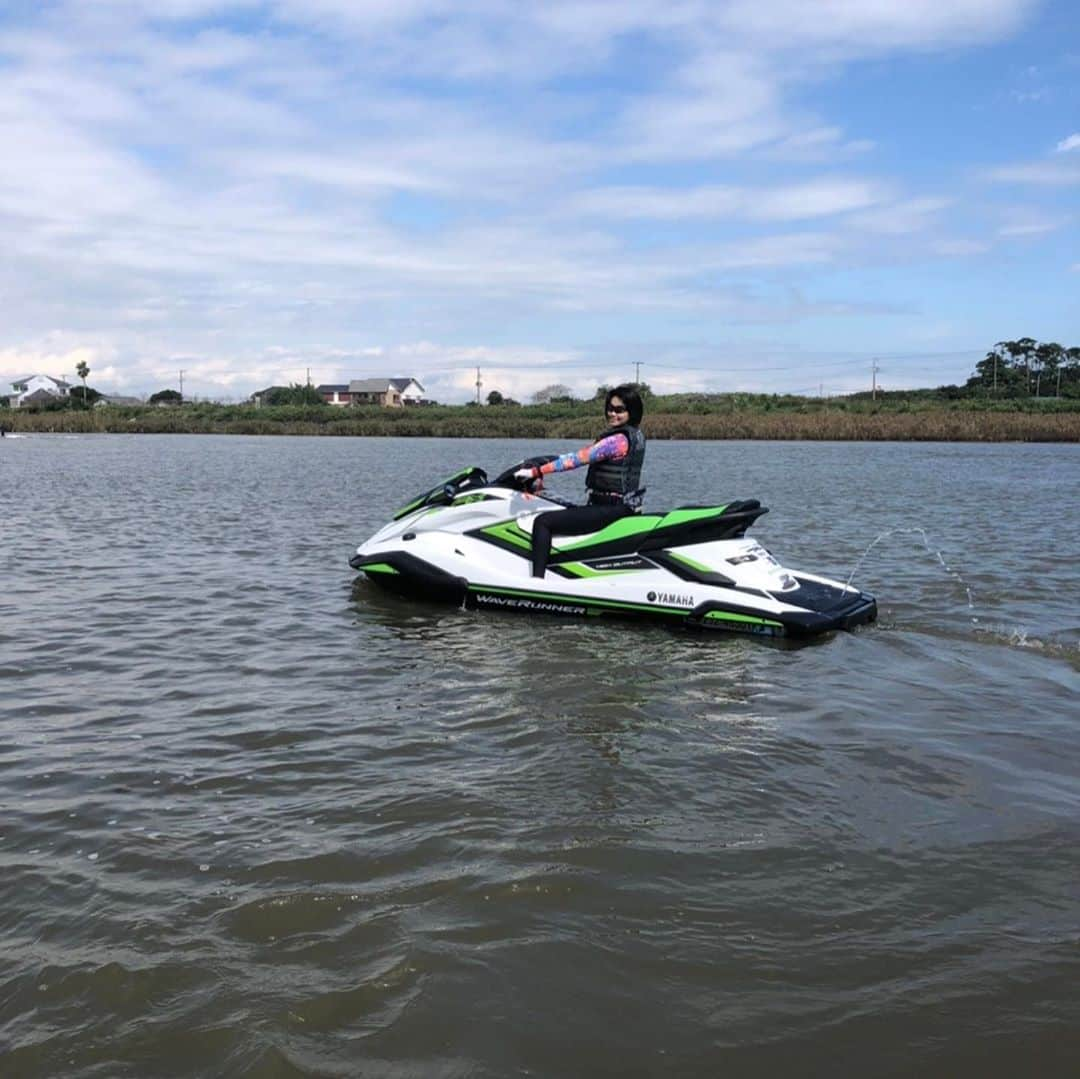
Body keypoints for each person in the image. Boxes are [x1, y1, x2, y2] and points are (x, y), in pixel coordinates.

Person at [513, 385, 646, 577]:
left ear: (631, 412)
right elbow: (579, 455)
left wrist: (536, 471)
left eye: (619, 410)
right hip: (623, 506)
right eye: (610, 408)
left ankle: (537, 582)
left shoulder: (617, 440)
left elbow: (578, 459)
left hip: (611, 508)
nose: (612, 414)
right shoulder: (635, 436)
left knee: (543, 522)